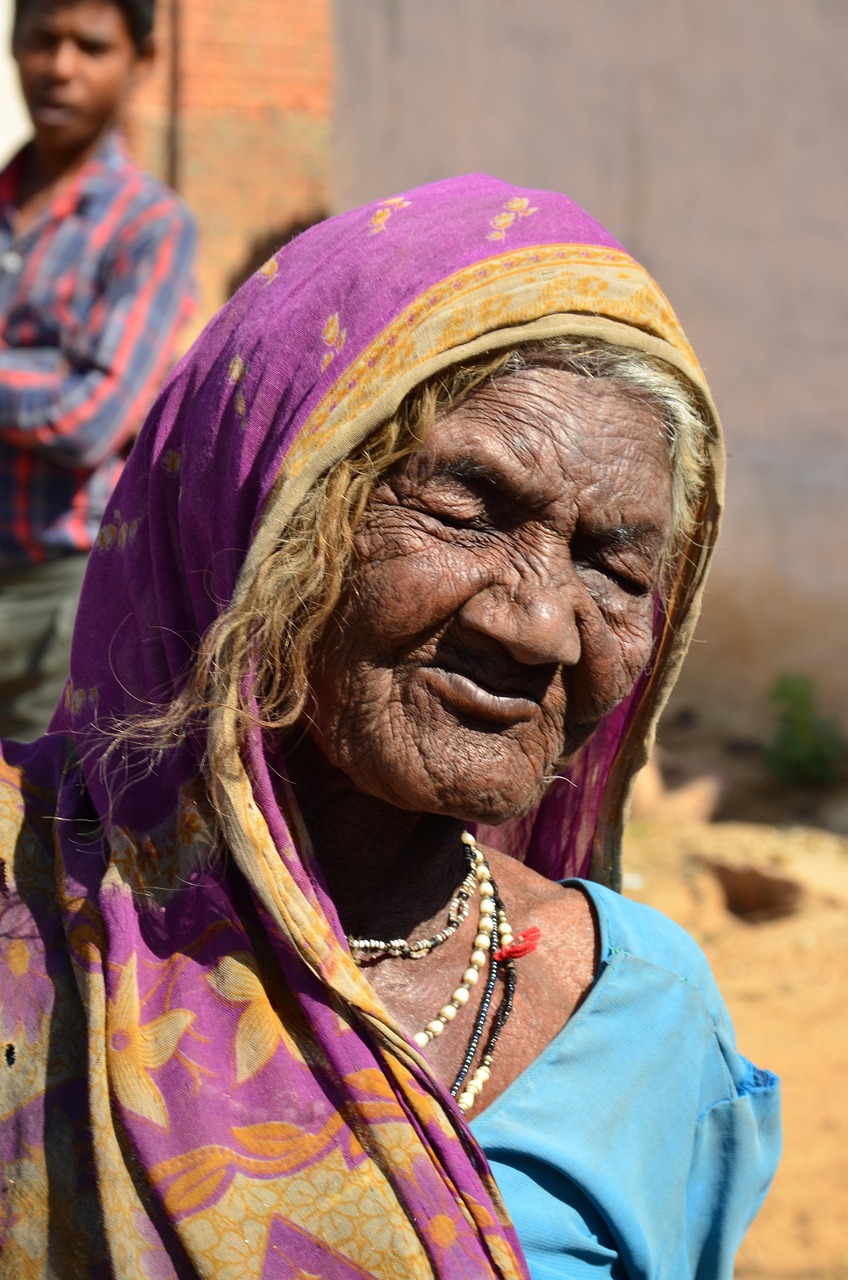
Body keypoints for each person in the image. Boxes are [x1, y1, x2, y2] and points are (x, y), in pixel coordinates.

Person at [0, 176, 780, 1278]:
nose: (541, 625)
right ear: (263, 505)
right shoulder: (30, 912)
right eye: (466, 508)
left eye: (615, 567)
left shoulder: (645, 1011)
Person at [0, 0, 196, 740]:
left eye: (91, 46)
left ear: (140, 62)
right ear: (15, 46)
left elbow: (91, 419)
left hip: (62, 592)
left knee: (32, 829)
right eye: (42, 40)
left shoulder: (150, 226)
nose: (61, 67)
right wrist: (41, 372)